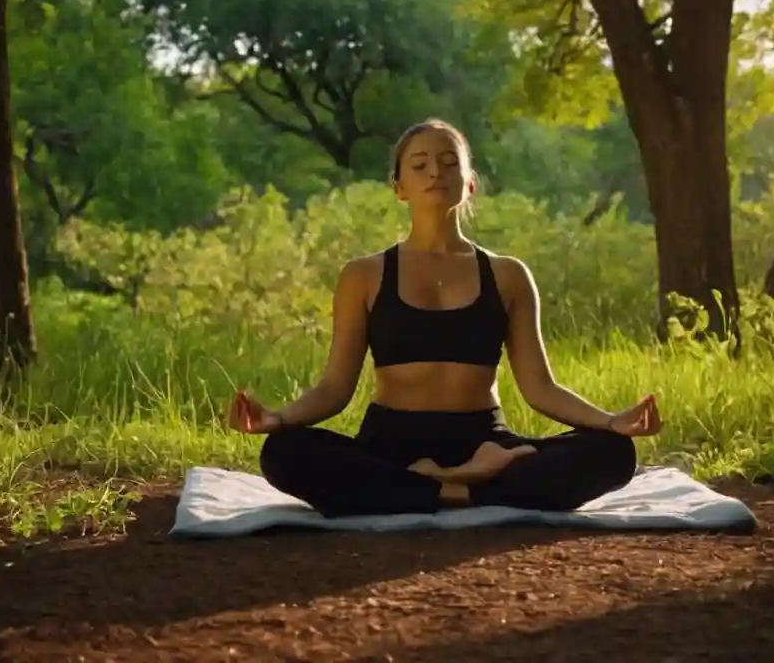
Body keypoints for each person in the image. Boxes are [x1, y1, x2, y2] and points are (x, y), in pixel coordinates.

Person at [225, 118, 662, 518]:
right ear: (399, 187)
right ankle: (465, 489)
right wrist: (278, 420)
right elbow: (334, 389)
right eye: (419, 165)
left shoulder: (508, 275)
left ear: (469, 184)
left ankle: (423, 489)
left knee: (613, 453)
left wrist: (610, 422)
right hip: (392, 444)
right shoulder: (364, 275)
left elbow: (540, 388)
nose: (435, 172)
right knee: (284, 453)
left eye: (449, 162)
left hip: (485, 441)